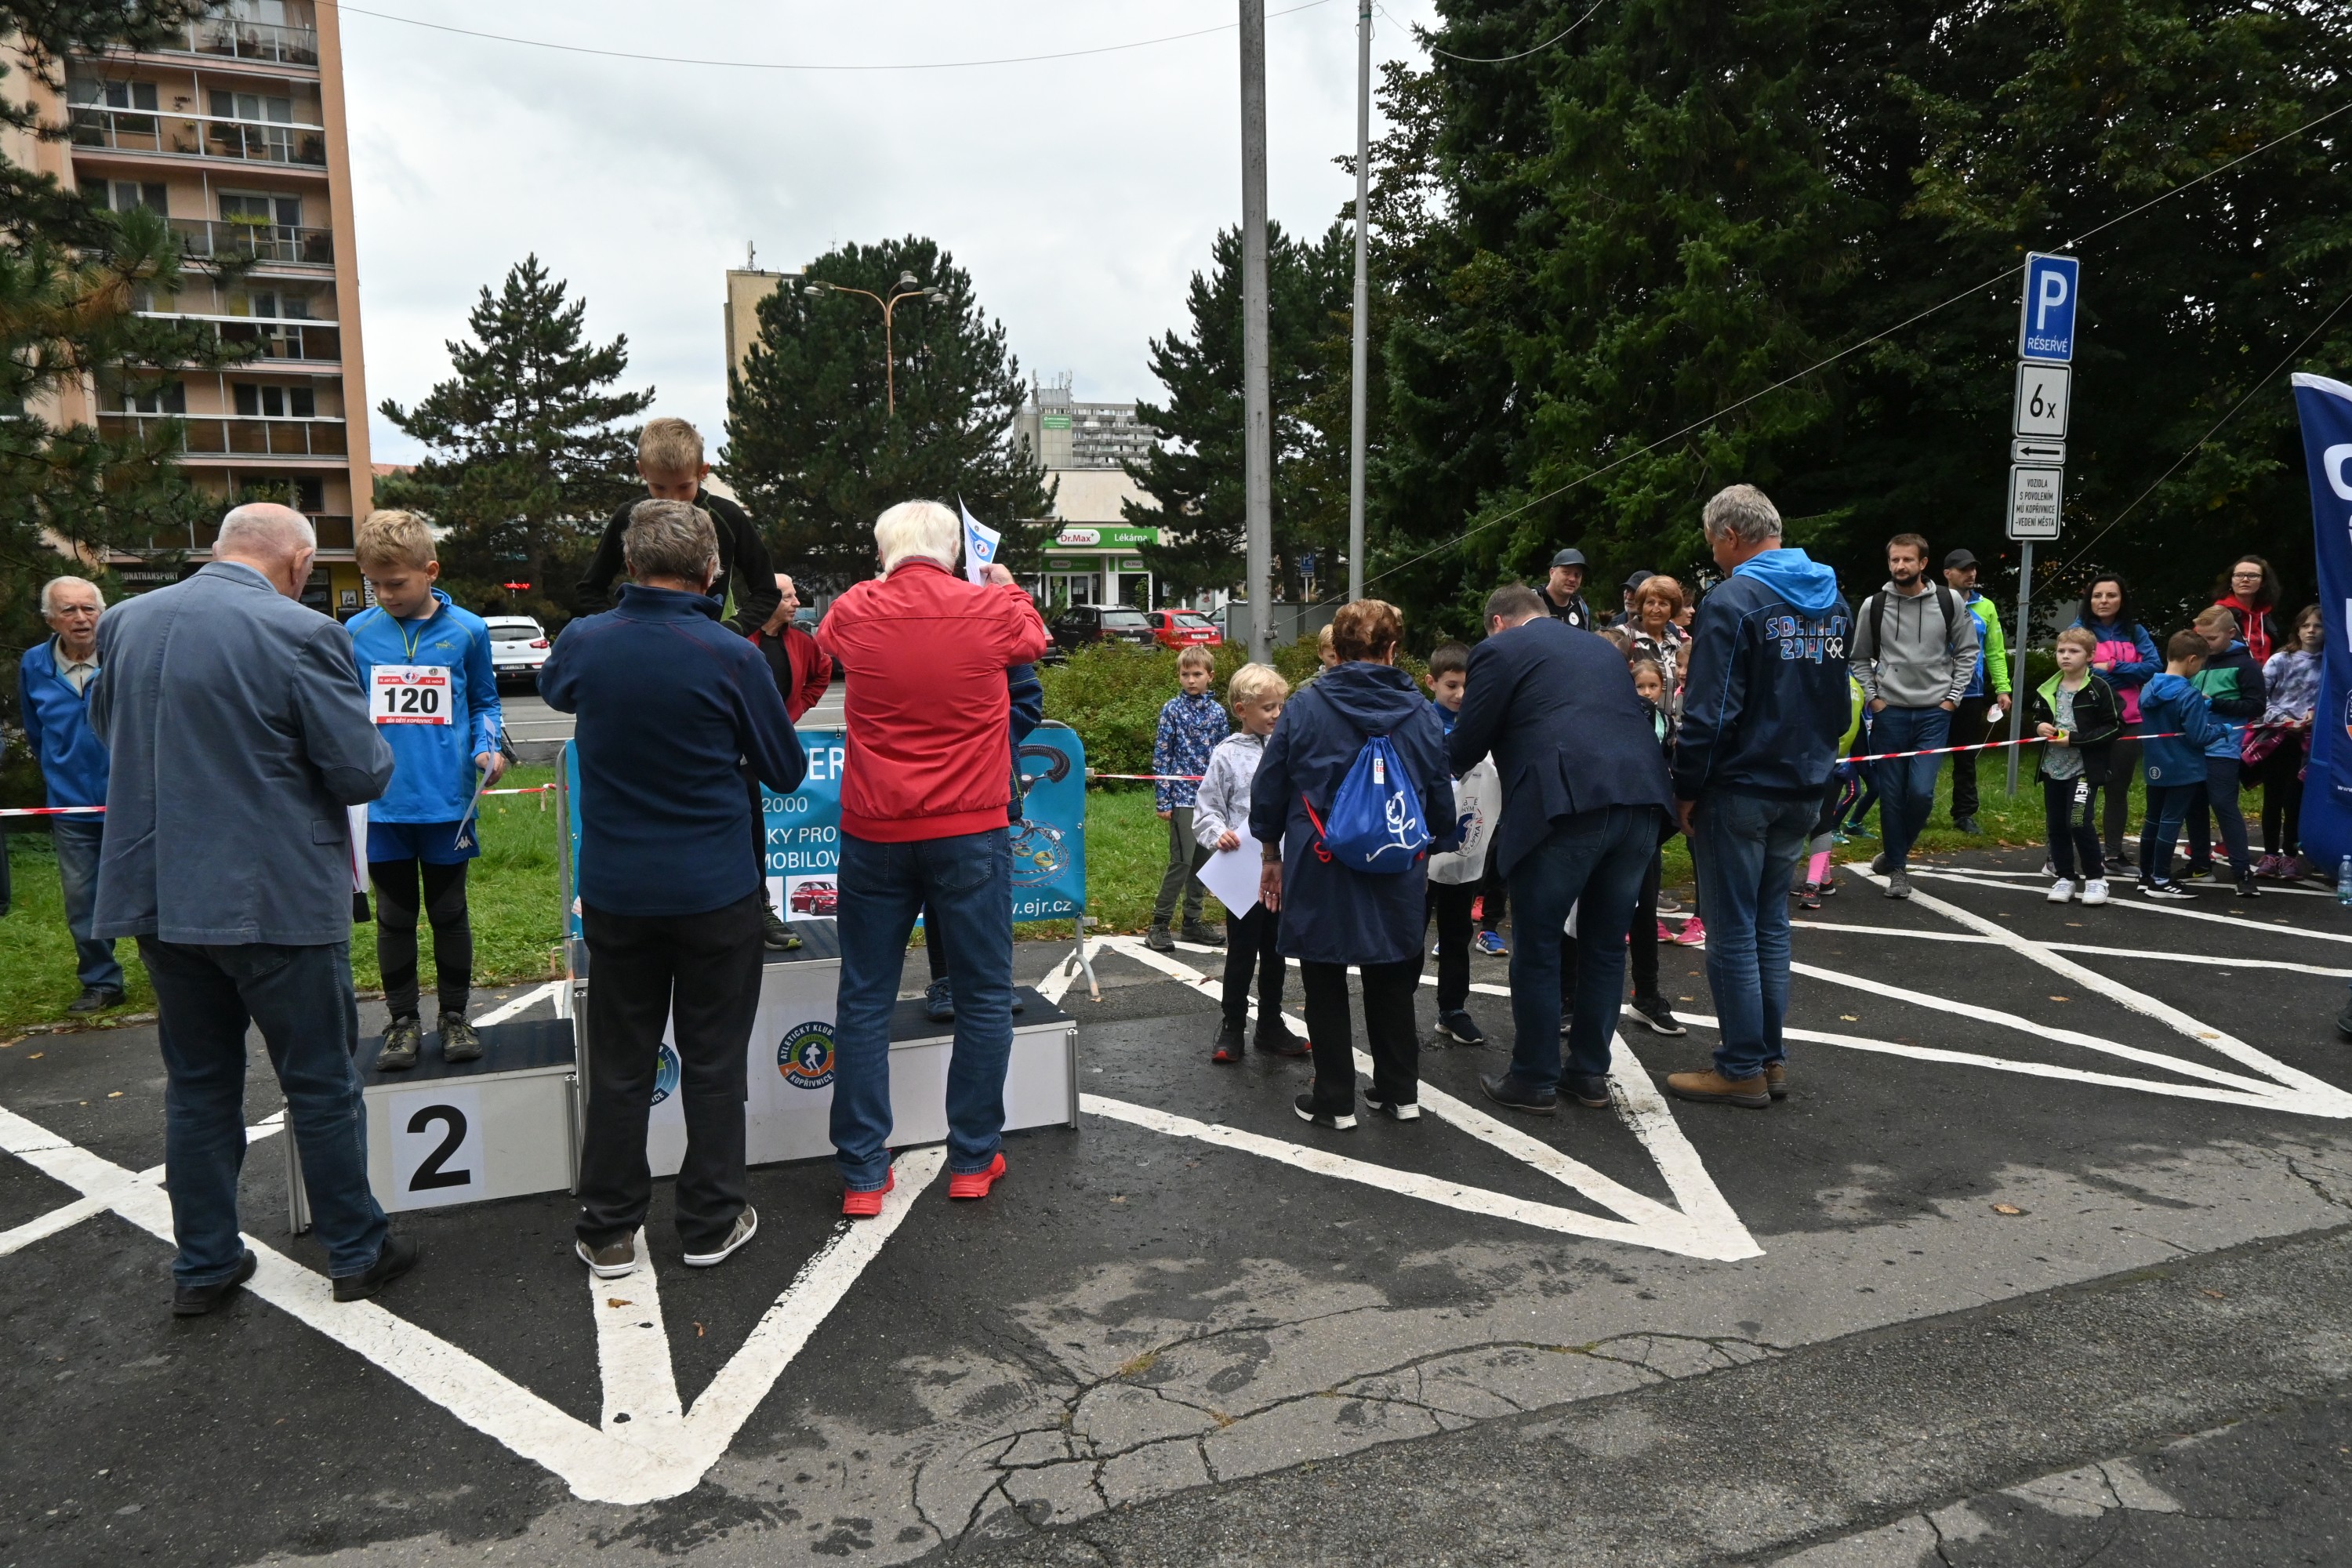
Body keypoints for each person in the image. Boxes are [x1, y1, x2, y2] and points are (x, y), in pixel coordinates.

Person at [89, 503, 412, 1315]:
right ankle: (356, 1250)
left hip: (160, 892)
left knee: (198, 1086)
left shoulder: (124, 620)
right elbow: (359, 771)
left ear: (222, 548)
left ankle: (203, 1265)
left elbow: (110, 732)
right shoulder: (303, 631)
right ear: (300, 563)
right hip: (274, 897)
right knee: (321, 1082)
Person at [540, 499, 807, 1278]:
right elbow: (786, 769)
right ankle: (710, 1221)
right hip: (715, 890)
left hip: (619, 891)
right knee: (714, 1061)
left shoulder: (587, 640)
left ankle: (609, 1228)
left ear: (629, 564)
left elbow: (557, 690)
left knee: (622, 1062)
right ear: (712, 573)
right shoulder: (730, 654)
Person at [817, 500, 1049, 1212]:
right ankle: (973, 1158)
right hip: (969, 828)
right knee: (983, 996)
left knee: (865, 997)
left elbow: (826, 637)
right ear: (955, 553)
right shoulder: (990, 608)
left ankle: (863, 1172)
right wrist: (1006, 584)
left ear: (883, 551)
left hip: (875, 830)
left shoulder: (857, 608)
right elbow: (1034, 640)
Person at [1446, 586, 1671, 1116]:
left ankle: (1533, 1077)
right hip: (1641, 800)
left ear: (1498, 622)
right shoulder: (1600, 647)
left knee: (1539, 944)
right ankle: (1589, 1073)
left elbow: (1465, 747)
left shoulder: (1499, 649)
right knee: (1605, 945)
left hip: (1566, 807)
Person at [1666, 485, 1850, 1109]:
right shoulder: (1832, 597)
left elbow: (1712, 711)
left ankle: (1741, 1065)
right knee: (1771, 924)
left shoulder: (1734, 599)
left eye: (1712, 544)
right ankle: (1770, 1059)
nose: (1714, 557)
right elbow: (1839, 702)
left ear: (1729, 536)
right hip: (1805, 781)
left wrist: (1687, 786)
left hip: (1741, 785)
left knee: (1731, 930)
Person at [1253, 600, 1454, 1127]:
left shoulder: (1305, 706)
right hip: (1396, 857)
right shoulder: (1421, 712)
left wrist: (1270, 851)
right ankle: (1399, 1092)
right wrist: (1436, 840)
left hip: (1321, 858)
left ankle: (1334, 1099)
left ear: (1336, 651)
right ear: (1393, 650)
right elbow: (1439, 790)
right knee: (1392, 974)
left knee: (1324, 975)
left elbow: (1271, 783)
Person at [346, 510, 506, 1071]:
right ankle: (402, 1021)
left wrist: (488, 748)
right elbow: (344, 708)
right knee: (394, 916)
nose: (386, 595)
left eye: (397, 583)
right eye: (375, 585)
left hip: (447, 805)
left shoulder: (469, 631)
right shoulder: (355, 633)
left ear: (430, 572)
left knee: (448, 911)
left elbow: (485, 701)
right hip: (383, 805)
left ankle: (455, 1016)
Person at [1847, 533, 1978, 898]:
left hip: (1935, 713)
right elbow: (1859, 657)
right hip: (1890, 713)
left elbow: (1968, 651)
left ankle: (1893, 854)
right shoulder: (1874, 605)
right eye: (1895, 560)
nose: (1900, 566)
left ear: (1923, 563)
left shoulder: (1948, 601)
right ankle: (1899, 871)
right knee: (1891, 795)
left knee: (1921, 793)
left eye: (1908, 559)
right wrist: (1874, 699)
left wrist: (1952, 699)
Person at [17, 576, 123, 1013]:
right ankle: (102, 982)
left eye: (89, 608)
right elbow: (36, 732)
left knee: (152, 893)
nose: (81, 618)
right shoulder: (34, 663)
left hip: (130, 801)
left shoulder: (123, 655)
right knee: (82, 901)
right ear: (51, 619)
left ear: (103, 613)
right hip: (71, 806)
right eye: (69, 610)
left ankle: (174, 979)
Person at [1192, 662, 1306, 1062]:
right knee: (1242, 951)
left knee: (1276, 951)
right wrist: (1216, 833)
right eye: (1268, 707)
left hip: (1284, 867)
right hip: (1242, 873)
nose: (1277, 714)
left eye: (1281, 706)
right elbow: (1207, 808)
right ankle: (1232, 1027)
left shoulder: (1290, 747)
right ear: (1242, 710)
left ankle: (1271, 1025)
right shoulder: (1225, 754)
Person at [575, 417, 780, 636]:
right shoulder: (629, 517)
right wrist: (618, 630)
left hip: (708, 645)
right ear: (642, 471)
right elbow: (591, 588)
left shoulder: (727, 516)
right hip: (644, 640)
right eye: (659, 488)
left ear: (703, 471)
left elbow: (766, 591)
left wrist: (730, 630)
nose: (673, 500)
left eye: (684, 487)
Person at [750, 572, 832, 950]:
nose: (797, 603)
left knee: (755, 831)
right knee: (739, 830)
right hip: (729, 755)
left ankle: (761, 908)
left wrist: (792, 712)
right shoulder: (736, 639)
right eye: (788, 596)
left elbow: (822, 672)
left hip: (765, 751)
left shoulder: (800, 641)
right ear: (765, 600)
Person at [1418, 642, 1486, 1046]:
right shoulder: (1421, 724)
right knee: (1413, 928)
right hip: (1423, 847)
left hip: (1464, 847)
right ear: (1432, 682)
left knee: (1457, 930)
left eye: (1467, 686)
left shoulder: (1477, 727)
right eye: (1451, 686)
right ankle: (1398, 1004)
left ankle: (1453, 1008)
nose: (1460, 695)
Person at [2071, 574, 2161, 874]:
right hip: (2088, 722)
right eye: (2098, 595)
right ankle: (2064, 853)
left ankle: (2113, 855)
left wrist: (2112, 666)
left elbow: (2153, 668)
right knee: (2082, 789)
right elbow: (2078, 671)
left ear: (2122, 599)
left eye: (2111, 595)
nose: (2104, 601)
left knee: (2117, 790)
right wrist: (2127, 674)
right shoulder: (2078, 631)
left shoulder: (2136, 632)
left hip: (2129, 721)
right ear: (2089, 599)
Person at [2136, 631, 2230, 900]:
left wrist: (2200, 710)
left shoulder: (2148, 688)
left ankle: (2146, 875)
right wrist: (2222, 729)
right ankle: (2161, 880)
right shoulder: (2188, 694)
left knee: (2153, 820)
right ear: (2192, 659)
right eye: (2200, 663)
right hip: (2184, 767)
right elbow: (2199, 736)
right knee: (2171, 822)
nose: (2199, 668)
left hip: (2155, 765)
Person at [2029, 628, 2122, 905]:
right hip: (2053, 769)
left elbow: (2114, 726)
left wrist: (2075, 740)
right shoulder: (2048, 687)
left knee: (2079, 821)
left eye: (2073, 651)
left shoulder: (2099, 689)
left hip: (2083, 771)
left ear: (2090, 656)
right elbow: (2036, 717)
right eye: (2061, 651)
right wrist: (2039, 727)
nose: (2065, 656)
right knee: (2057, 824)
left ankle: (2096, 879)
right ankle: (2065, 877)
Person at [1149, 644, 1230, 952]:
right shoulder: (1172, 709)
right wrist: (1163, 800)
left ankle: (1192, 922)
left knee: (1203, 863)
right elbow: (1162, 755)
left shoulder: (1218, 712)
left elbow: (1224, 757)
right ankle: (1159, 924)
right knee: (1181, 861)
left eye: (1197, 674)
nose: (1191, 680)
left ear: (1210, 676)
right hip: (1182, 798)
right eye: (1185, 674)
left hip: (1210, 801)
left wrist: (1226, 799)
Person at [1621, 658, 1686, 1034]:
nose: (1646, 693)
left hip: (1647, 826)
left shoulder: (1665, 723)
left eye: (1653, 686)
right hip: (1607, 822)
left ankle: (1647, 996)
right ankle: (1569, 997)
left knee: (1644, 913)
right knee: (1582, 916)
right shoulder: (1610, 716)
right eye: (1639, 686)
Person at [2183, 604, 2264, 895]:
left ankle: (2242, 872)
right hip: (2192, 746)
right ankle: (2200, 865)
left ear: (2231, 633)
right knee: (2194, 805)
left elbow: (2257, 706)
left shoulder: (2246, 665)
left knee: (2223, 804)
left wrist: (2215, 703)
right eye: (2200, 637)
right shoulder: (2196, 660)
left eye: (2212, 639)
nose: (2205, 644)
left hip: (2223, 747)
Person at [1939, 549, 2011, 837]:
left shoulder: (1986, 606)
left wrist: (2002, 688)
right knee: (1926, 755)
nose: (1971, 574)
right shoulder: (1933, 602)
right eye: (1963, 569)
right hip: (1934, 692)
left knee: (1966, 757)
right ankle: (1916, 809)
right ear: (1948, 573)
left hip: (1971, 693)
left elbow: (1994, 651)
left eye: (1973, 568)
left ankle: (1964, 813)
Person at [2253, 605, 2323, 879]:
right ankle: (2270, 854)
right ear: (2297, 629)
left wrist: (2315, 714)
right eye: (2306, 625)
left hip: (2309, 742)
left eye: (2318, 626)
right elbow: (2260, 698)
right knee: (2273, 797)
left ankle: (2291, 856)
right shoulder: (2281, 659)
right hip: (2277, 738)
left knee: (2295, 800)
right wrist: (2283, 719)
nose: (2311, 631)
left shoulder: (2332, 665)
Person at [2214, 555, 2284, 666]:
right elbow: (2198, 648)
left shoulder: (2266, 615)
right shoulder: (2218, 613)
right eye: (2239, 575)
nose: (2245, 580)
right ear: (2231, 582)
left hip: (2263, 674)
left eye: (2252, 576)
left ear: (2263, 583)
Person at [1627, 575, 1687, 701]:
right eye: (1650, 602)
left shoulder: (1675, 644)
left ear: (1672, 609)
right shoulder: (1624, 637)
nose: (1656, 609)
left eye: (1663, 604)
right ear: (1642, 606)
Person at [1537, 548, 1593, 629]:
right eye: (1566, 573)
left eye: (1577, 575)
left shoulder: (1581, 608)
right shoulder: (1532, 601)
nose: (1572, 579)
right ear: (1552, 573)